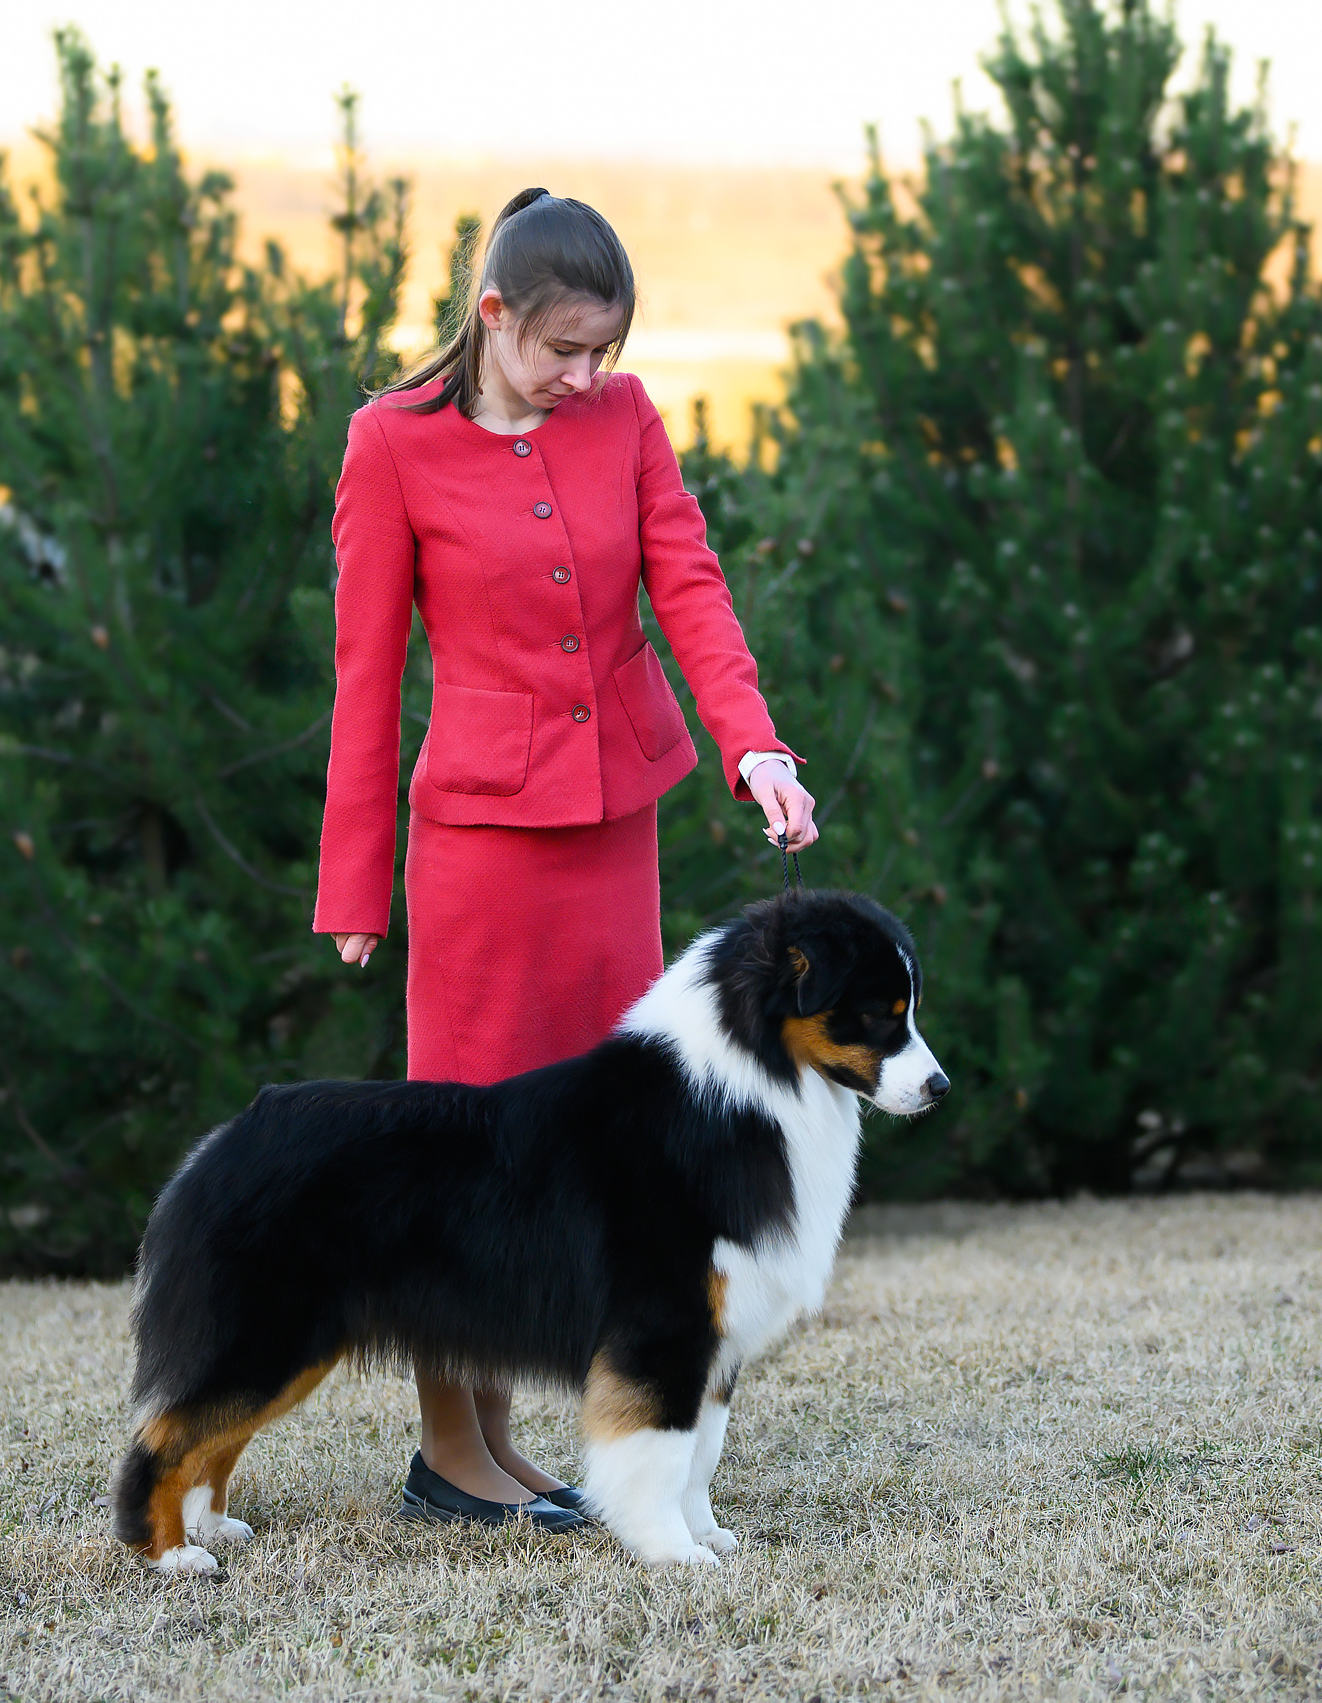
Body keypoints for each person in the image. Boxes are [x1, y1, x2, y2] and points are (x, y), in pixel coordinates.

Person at [313, 187, 820, 1528]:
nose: (586, 377)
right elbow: (367, 678)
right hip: (475, 847)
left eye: (605, 350)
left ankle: (543, 1443)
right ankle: (451, 1452)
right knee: (466, 1156)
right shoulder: (390, 446)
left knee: (593, 1151)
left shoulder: (629, 420)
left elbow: (690, 587)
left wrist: (755, 746)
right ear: (494, 317)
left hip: (614, 836)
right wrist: (354, 885)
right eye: (562, 352)